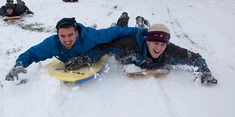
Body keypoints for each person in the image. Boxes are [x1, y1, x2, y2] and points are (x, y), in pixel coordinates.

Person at [75, 23, 218, 85]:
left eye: (162, 44)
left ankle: (141, 22)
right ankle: (122, 19)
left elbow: (196, 58)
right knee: (118, 28)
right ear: (147, 41)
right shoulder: (129, 46)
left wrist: (204, 70)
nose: (159, 48)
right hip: (123, 38)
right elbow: (103, 48)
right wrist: (85, 59)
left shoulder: (169, 51)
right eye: (155, 43)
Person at [5, 17, 140, 81]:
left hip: (97, 50)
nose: (67, 39)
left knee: (116, 37)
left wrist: (141, 31)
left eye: (70, 35)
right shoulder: (53, 43)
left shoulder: (90, 36)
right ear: (57, 35)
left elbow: (113, 33)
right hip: (79, 56)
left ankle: (123, 21)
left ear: (77, 33)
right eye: (62, 36)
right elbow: (32, 53)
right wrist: (19, 64)